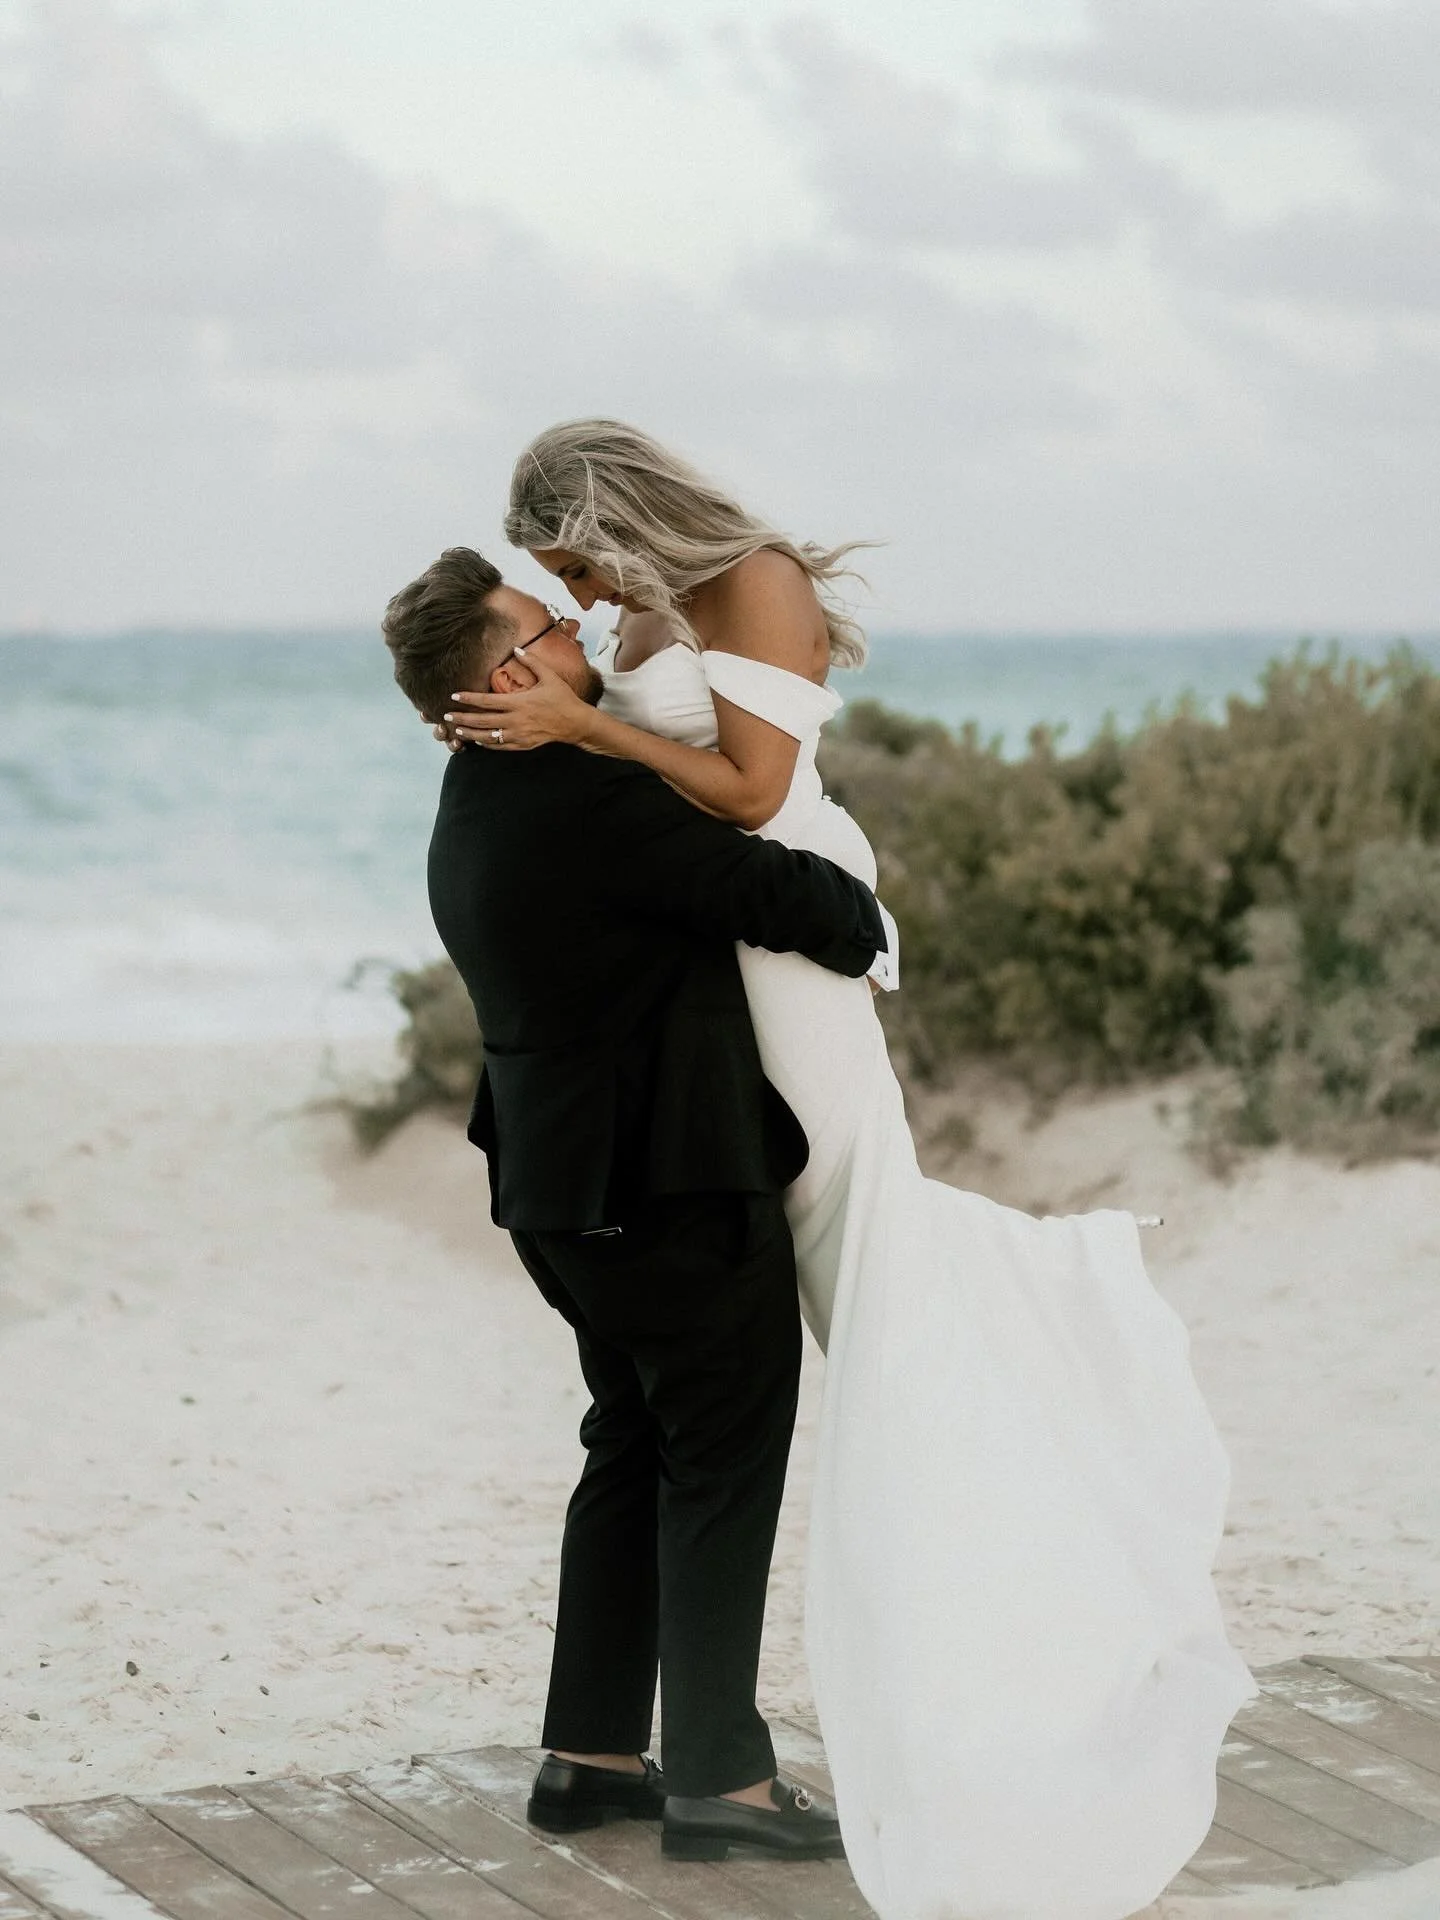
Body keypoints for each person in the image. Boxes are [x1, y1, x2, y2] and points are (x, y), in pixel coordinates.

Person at [434, 420, 1258, 1920]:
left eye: (570, 568)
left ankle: (642, 1750)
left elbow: (746, 793)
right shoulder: (616, 638)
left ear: (611, 516)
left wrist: (579, 730)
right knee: (708, 1402)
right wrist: (551, 725)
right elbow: (620, 815)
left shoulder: (753, 582)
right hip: (705, 1004)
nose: (574, 599)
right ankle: (691, 1776)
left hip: (771, 960)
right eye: (552, 595)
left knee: (806, 1324)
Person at [383, 546, 891, 1863]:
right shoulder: (580, 796)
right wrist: (835, 862)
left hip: (560, 1191)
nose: (574, 629)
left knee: (634, 1447)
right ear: (509, 672)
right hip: (667, 1187)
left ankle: (592, 1755)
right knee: (721, 1460)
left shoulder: (474, 792)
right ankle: (721, 1780)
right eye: (550, 622)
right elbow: (808, 909)